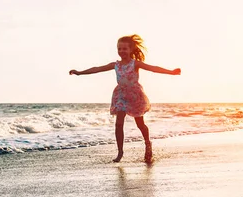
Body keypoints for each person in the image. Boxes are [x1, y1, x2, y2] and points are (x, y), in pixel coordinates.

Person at [69, 34, 181, 163]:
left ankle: (147, 143)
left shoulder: (135, 64)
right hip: (121, 95)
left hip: (135, 96)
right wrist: (79, 72)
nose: (122, 51)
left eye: (124, 49)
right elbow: (97, 69)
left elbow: (153, 68)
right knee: (118, 123)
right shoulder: (115, 65)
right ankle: (120, 152)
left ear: (131, 50)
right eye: (119, 49)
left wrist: (171, 72)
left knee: (140, 124)